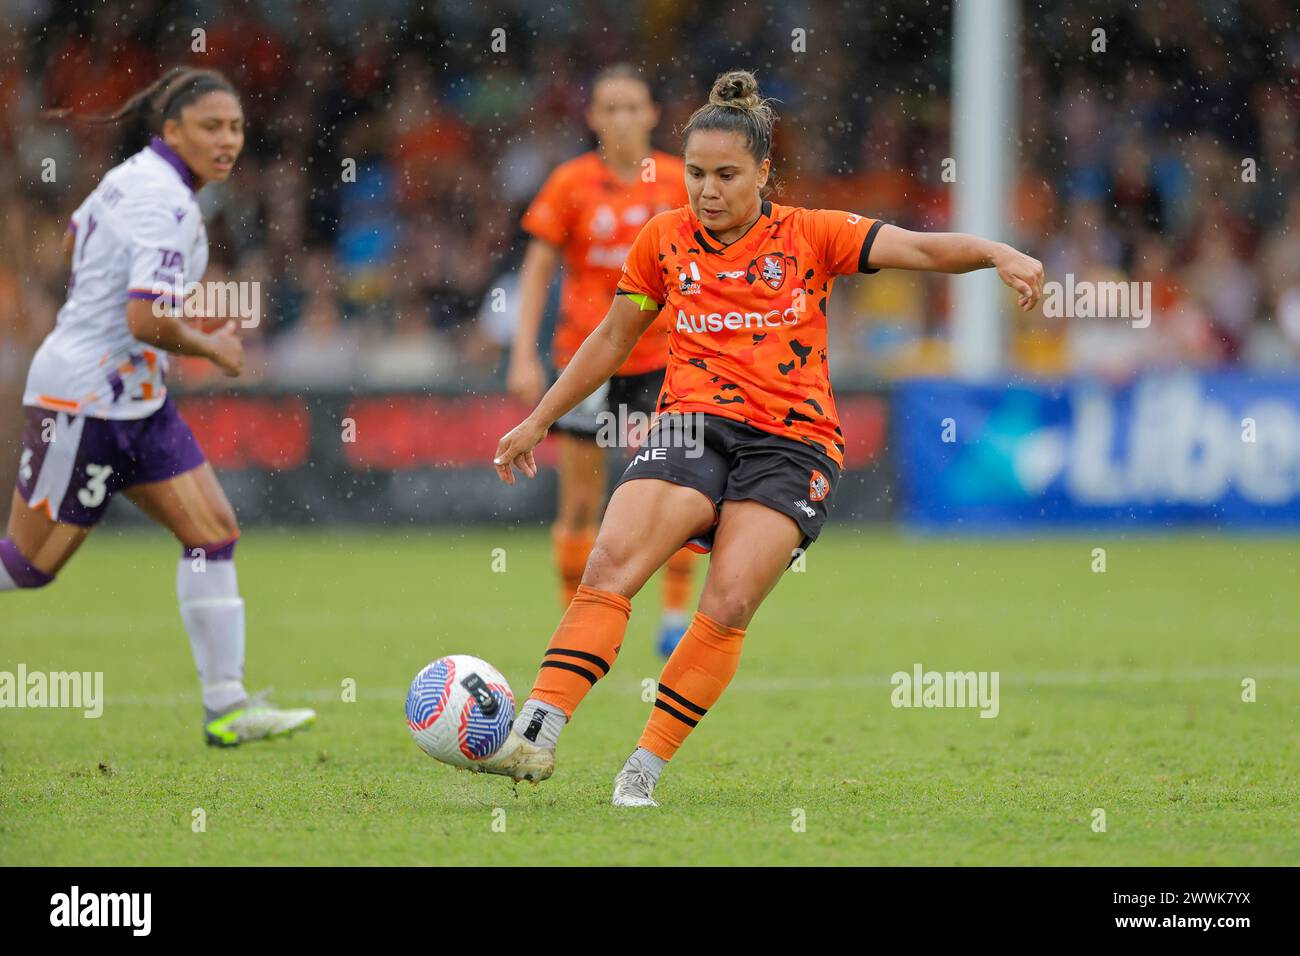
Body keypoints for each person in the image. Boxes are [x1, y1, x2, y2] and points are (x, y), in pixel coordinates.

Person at [482, 69, 1045, 807]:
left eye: (725, 175)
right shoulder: (664, 240)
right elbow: (613, 338)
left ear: (764, 171)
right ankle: (537, 730)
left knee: (731, 603)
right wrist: (538, 418)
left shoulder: (813, 233)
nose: (706, 190)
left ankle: (642, 770)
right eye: (694, 174)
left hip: (793, 442)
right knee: (612, 560)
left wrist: (998, 252)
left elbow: (923, 250)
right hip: (691, 422)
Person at [2, 66, 316, 747]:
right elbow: (145, 319)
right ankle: (227, 704)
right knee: (25, 569)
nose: (227, 140)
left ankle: (227, 706)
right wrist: (214, 347)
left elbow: (72, 244)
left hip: (137, 402)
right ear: (171, 130)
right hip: (81, 401)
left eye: (234, 127)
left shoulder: (131, 177)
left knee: (212, 532)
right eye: (210, 127)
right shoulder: (167, 206)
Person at [508, 63, 698, 656]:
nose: (620, 118)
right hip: (587, 359)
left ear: (652, 114)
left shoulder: (678, 180)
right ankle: (577, 627)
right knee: (583, 501)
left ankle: (672, 620)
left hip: (666, 358)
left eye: (631, 107)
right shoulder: (569, 183)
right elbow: (537, 270)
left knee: (678, 492)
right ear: (591, 117)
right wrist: (522, 354)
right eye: (608, 108)